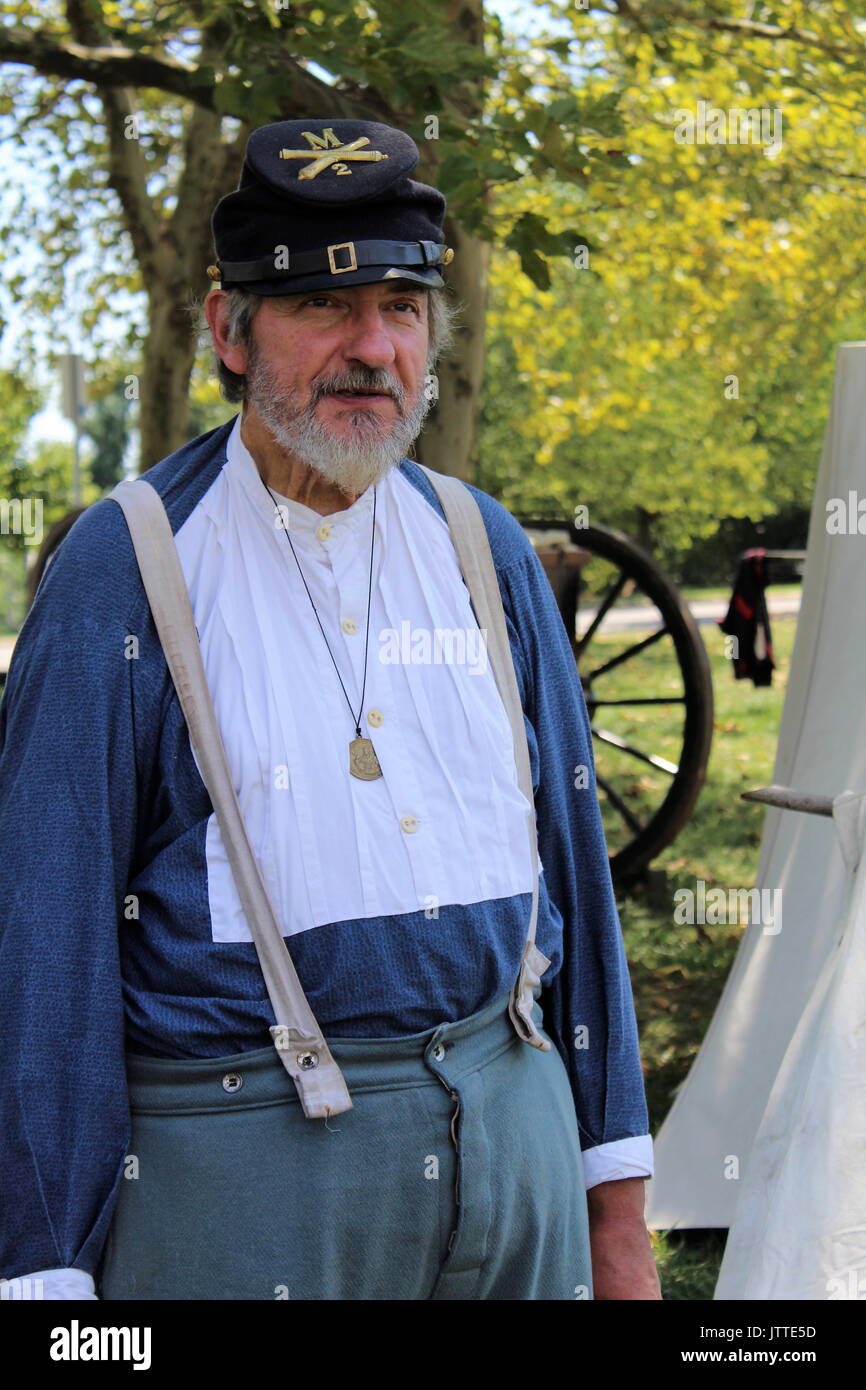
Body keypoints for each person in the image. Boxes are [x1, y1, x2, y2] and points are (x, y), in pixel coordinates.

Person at [0, 118, 660, 1301]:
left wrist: (614, 1210)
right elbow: (43, 944)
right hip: (246, 1185)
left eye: (401, 306)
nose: (371, 347)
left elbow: (576, 876)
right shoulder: (128, 566)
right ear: (229, 333)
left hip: (515, 1149)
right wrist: (46, 1279)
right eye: (321, 306)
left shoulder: (482, 546)